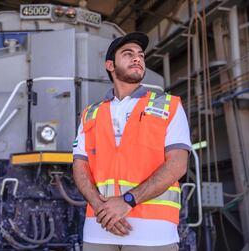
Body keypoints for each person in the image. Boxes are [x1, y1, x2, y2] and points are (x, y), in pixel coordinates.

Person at [72, 31, 191, 251]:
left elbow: (177, 164)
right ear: (110, 65)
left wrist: (127, 201)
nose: (137, 58)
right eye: (128, 53)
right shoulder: (90, 114)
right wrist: (100, 208)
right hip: (99, 230)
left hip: (154, 235)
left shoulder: (169, 105)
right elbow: (80, 166)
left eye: (140, 54)